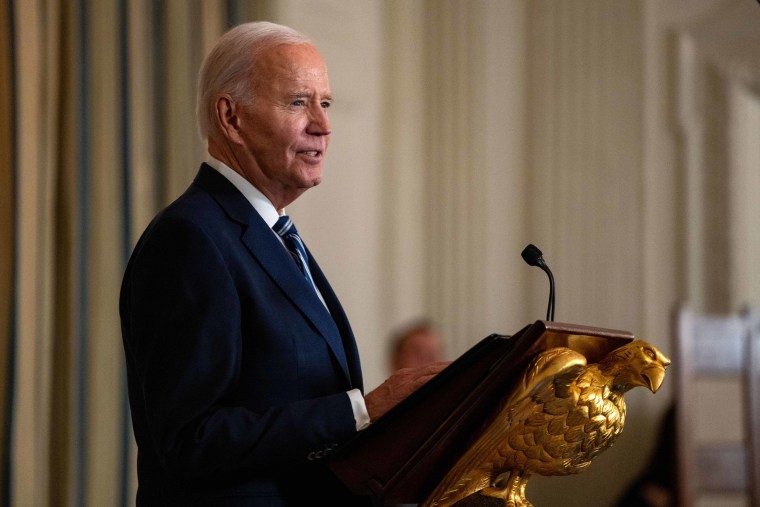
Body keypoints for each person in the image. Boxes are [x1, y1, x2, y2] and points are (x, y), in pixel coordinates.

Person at [119, 21, 448, 506]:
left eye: (326, 103)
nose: (323, 123)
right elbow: (188, 440)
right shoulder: (191, 238)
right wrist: (362, 409)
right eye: (298, 102)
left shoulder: (273, 236)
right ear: (231, 118)